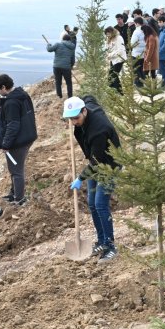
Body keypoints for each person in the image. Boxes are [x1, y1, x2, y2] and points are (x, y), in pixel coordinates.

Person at [65, 95, 122, 261]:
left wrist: (80, 178)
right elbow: (89, 97)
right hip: (95, 162)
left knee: (100, 204)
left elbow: (97, 162)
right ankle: (102, 240)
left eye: (76, 118)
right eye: (70, 118)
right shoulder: (86, 108)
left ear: (84, 111)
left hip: (108, 165)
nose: (74, 121)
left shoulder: (99, 130)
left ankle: (110, 246)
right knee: (92, 203)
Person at [0, 73, 38, 205]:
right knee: (15, 168)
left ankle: (19, 199)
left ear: (4, 87)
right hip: (28, 136)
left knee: (16, 170)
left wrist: (5, 144)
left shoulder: (11, 102)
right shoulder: (22, 94)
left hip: (19, 141)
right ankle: (14, 194)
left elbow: (13, 125)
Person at [46, 32, 76, 98]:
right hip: (66, 67)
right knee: (69, 83)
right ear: (69, 40)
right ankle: (70, 96)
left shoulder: (58, 44)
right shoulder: (72, 48)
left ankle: (59, 96)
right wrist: (70, 66)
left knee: (58, 82)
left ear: (63, 39)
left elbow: (49, 49)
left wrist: (48, 44)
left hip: (57, 67)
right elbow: (73, 59)